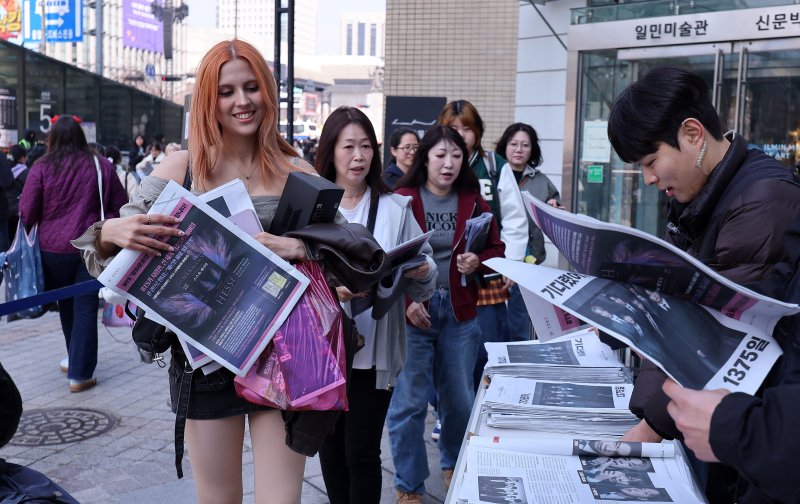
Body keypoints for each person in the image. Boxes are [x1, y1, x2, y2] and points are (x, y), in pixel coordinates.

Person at [73, 39, 381, 504]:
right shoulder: (182, 168)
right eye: (227, 91)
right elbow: (102, 257)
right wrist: (110, 230)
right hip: (206, 365)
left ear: (267, 92)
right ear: (208, 100)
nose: (242, 101)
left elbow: (354, 253)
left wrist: (299, 246)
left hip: (285, 355)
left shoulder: (295, 168)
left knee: (281, 500)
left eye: (252, 87)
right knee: (218, 498)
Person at [607, 66, 800, 502]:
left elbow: (713, 332)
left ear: (693, 134)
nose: (648, 179)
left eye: (650, 161)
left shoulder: (763, 201)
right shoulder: (707, 195)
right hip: (723, 421)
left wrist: (650, 427)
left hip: (749, 430)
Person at [315, 106, 436, 504]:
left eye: (366, 146)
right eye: (348, 146)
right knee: (330, 448)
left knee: (362, 451)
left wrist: (423, 272)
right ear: (330, 151)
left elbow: (426, 271)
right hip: (322, 351)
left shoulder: (394, 208)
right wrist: (331, 288)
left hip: (375, 352)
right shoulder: (314, 207)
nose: (358, 156)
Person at [386, 125, 505, 503]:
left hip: (459, 313)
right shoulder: (401, 200)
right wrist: (406, 302)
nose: (448, 164)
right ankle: (409, 485)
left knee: (459, 400)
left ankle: (453, 462)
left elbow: (497, 249)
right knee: (408, 404)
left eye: (456, 156)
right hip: (413, 314)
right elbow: (385, 259)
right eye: (440, 155)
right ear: (425, 159)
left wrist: (478, 261)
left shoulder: (474, 201)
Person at [19, 115, 128, 392]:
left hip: (52, 250)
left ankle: (74, 359)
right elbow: (121, 205)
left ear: (52, 138)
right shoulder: (100, 165)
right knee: (85, 307)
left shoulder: (41, 166)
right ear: (81, 136)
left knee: (66, 305)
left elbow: (27, 211)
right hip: (90, 246)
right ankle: (79, 373)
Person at [437, 100, 528, 390]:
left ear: (477, 131)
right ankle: (448, 408)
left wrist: (511, 264)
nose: (460, 135)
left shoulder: (493, 165)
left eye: (467, 128)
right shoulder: (433, 166)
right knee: (445, 353)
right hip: (446, 277)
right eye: (453, 128)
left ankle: (485, 403)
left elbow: (514, 218)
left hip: (487, 273)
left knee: (487, 350)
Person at [496, 122, 561, 341]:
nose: (519, 149)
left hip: (528, 260)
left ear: (532, 150)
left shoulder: (541, 180)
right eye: (513, 144)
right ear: (505, 146)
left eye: (525, 145)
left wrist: (554, 209)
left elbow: (556, 211)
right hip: (496, 258)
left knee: (520, 320)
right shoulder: (495, 174)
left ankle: (517, 359)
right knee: (494, 320)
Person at [5, 145, 29, 244]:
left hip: (5, 211)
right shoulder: (25, 172)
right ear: (22, 158)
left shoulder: (5, 170)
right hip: (18, 212)